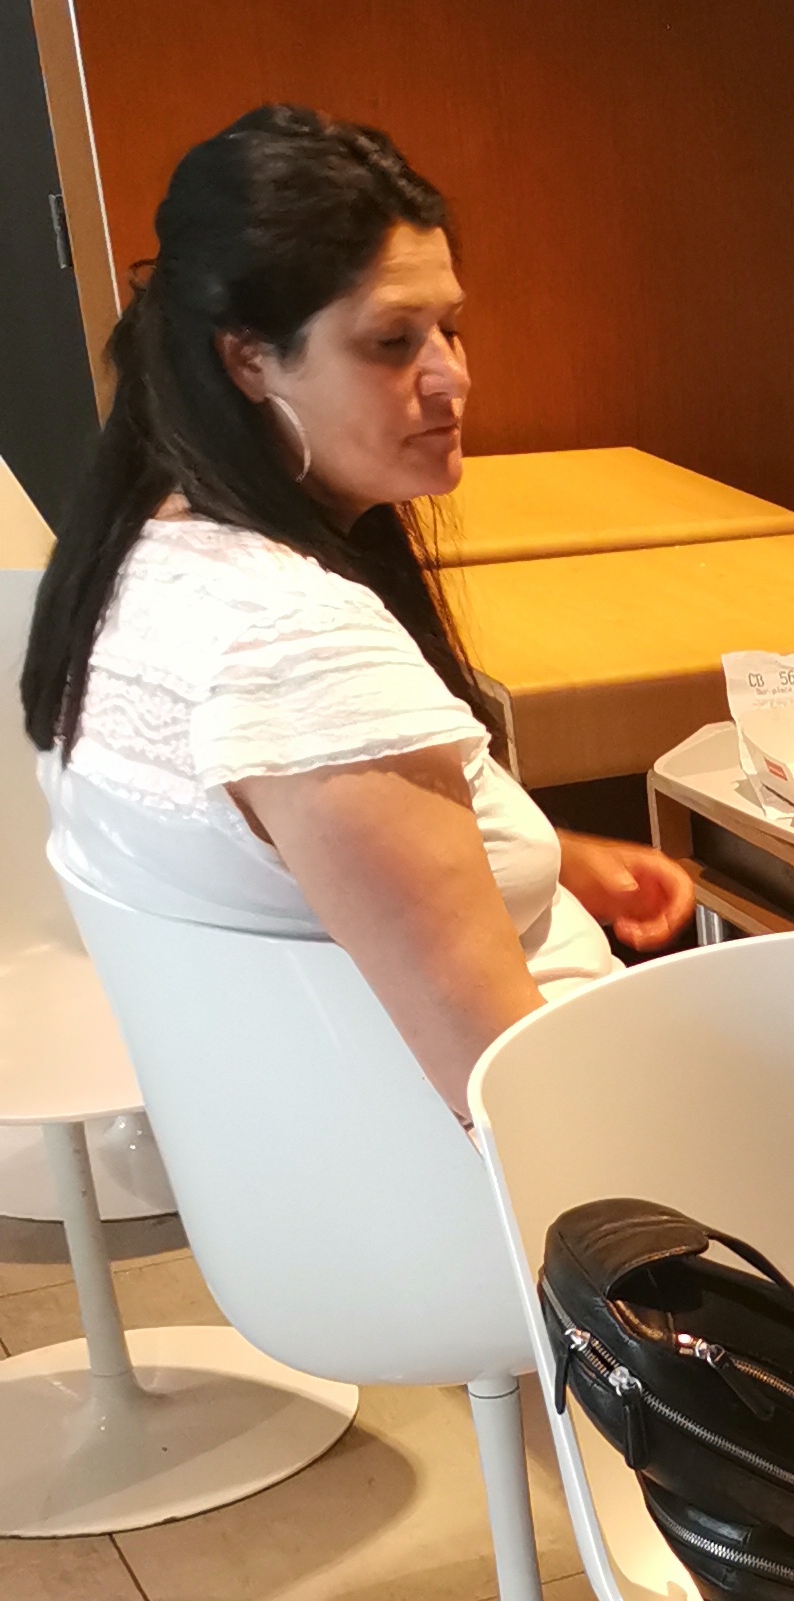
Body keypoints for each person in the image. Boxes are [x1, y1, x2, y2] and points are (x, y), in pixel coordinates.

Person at [23, 106, 693, 1117]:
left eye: (450, 328)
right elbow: (516, 1112)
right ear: (249, 359)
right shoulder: (300, 651)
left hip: (306, 1153)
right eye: (391, 341)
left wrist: (538, 855)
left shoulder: (137, 559)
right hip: (538, 1174)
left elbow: (294, 862)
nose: (453, 376)